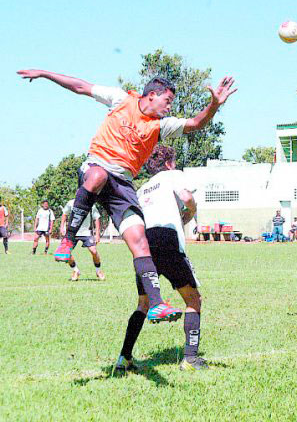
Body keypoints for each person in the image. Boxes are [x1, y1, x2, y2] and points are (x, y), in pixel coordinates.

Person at [18, 68, 236, 324]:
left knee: (139, 240)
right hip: (95, 168)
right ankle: (67, 243)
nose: (169, 107)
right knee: (98, 176)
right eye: (167, 101)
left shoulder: (160, 126)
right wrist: (44, 74)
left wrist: (214, 105)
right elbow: (80, 85)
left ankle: (156, 304)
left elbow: (197, 123)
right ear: (152, 95)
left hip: (122, 185)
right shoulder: (121, 99)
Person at [116, 145, 207, 371]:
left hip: (144, 244)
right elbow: (187, 197)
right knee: (193, 299)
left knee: (144, 303)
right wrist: (191, 213)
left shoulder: (142, 188)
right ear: (169, 164)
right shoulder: (172, 175)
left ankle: (124, 358)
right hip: (166, 239)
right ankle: (191, 359)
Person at [60, 199, 104, 281]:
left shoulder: (91, 204)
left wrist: (97, 234)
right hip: (72, 232)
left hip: (86, 232)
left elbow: (97, 218)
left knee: (93, 251)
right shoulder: (71, 203)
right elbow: (65, 214)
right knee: (65, 252)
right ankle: (76, 271)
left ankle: (98, 271)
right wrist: (62, 227)